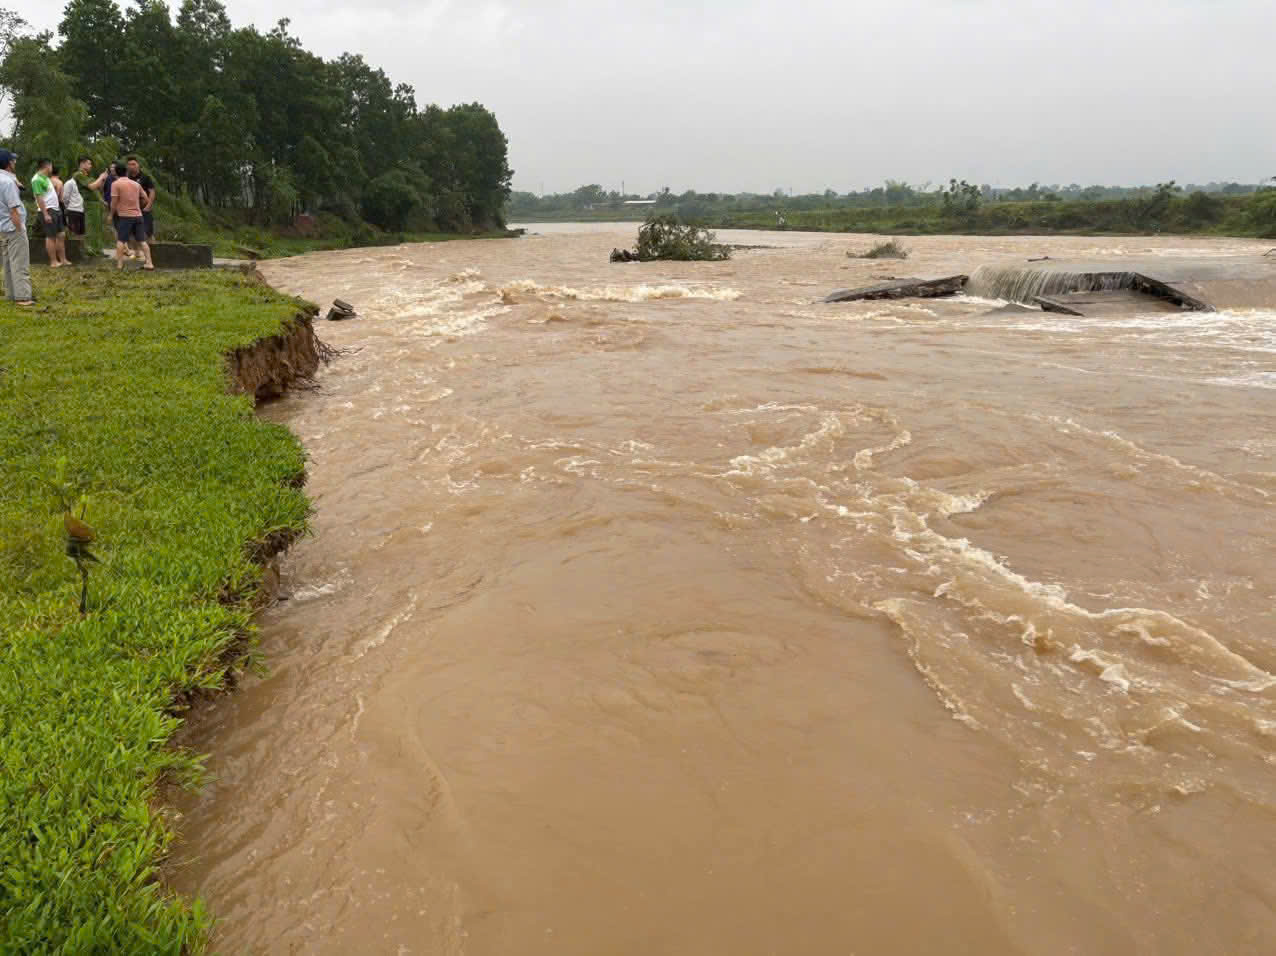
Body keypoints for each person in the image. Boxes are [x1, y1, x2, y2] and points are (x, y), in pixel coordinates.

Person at [0, 149, 33, 304]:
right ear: (8, 163)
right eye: (12, 160)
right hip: (14, 227)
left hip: (3, 228)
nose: (15, 162)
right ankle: (23, 297)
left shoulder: (7, 180)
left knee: (8, 263)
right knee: (20, 262)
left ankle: (11, 294)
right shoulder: (7, 182)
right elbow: (14, 209)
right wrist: (21, 229)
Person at [108, 161, 152, 270]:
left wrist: (110, 214)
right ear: (126, 172)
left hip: (124, 216)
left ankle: (119, 265)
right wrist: (139, 206)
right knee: (142, 241)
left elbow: (113, 202)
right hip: (138, 215)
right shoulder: (136, 184)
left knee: (121, 240)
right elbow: (146, 198)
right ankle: (149, 263)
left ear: (116, 173)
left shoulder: (116, 184)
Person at [31, 158, 70, 268]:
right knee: (51, 236)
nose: (52, 168)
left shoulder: (46, 178)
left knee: (61, 235)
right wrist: (45, 214)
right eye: (51, 166)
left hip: (56, 209)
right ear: (47, 166)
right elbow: (39, 198)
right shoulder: (36, 179)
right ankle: (53, 261)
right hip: (47, 210)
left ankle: (63, 259)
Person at [126, 156, 156, 240]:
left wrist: (148, 206)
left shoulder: (145, 177)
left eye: (133, 164)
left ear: (138, 165)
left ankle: (152, 252)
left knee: (148, 233)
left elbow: (152, 192)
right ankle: (135, 252)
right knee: (132, 234)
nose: (131, 166)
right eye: (129, 164)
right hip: (131, 210)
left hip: (144, 209)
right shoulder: (126, 178)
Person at [62, 156, 90, 237]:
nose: (90, 166)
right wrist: (70, 207)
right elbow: (65, 198)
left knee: (82, 236)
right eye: (89, 163)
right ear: (82, 164)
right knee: (73, 236)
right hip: (73, 211)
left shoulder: (87, 183)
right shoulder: (70, 182)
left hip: (83, 211)